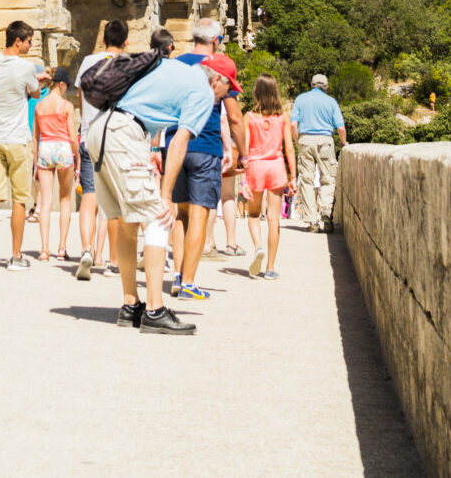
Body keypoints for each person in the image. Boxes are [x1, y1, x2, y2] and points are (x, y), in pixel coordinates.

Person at [82, 45, 215, 334]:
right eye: (228, 90)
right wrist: (165, 195)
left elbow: (148, 107)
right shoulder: (204, 91)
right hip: (124, 134)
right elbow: (179, 142)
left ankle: (130, 305)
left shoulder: (171, 68)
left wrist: (151, 150)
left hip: (100, 129)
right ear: (218, 80)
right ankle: (155, 310)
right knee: (158, 218)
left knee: (127, 222)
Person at [165, 45, 243, 299]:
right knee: (199, 215)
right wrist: (238, 151)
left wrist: (156, 147)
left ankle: (178, 274)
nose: (228, 93)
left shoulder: (182, 80)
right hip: (205, 150)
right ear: (216, 79)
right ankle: (189, 283)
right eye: (228, 87)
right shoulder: (210, 91)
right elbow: (231, 119)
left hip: (175, 148)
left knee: (181, 213)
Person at [0, 20, 47, 272]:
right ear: (18, 41)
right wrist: (40, 80)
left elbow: (11, 80)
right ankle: (15, 256)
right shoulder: (26, 67)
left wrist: (31, 79)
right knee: (20, 200)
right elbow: (34, 93)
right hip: (18, 141)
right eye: (29, 41)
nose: (30, 45)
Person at [70, 19, 128, 281]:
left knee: (89, 196)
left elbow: (82, 100)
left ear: (103, 39)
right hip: (114, 138)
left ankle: (86, 249)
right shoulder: (128, 65)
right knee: (113, 201)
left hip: (88, 136)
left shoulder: (87, 62)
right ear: (126, 41)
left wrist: (84, 127)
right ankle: (114, 261)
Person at [239, 75, 297, 278]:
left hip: (256, 166)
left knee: (254, 214)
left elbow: (244, 151)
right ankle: (270, 268)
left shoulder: (249, 117)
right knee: (274, 219)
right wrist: (293, 177)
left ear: (256, 92)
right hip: (276, 166)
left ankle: (258, 247)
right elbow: (289, 148)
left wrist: (243, 179)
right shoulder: (283, 117)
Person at [291, 71, 349, 232]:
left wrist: (297, 141)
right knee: (329, 179)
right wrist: (343, 142)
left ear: (311, 85)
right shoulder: (331, 102)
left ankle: (312, 221)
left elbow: (293, 124)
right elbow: (341, 128)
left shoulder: (300, 99)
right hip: (325, 141)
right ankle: (326, 210)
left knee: (307, 181)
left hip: (305, 140)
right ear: (326, 87)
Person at [33, 66, 78, 261]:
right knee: (65, 199)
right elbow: (72, 137)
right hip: (62, 148)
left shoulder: (39, 106)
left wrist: (36, 163)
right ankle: (61, 247)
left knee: (45, 201)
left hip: (45, 148)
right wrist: (77, 157)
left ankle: (44, 249)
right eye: (66, 85)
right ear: (60, 84)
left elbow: (35, 137)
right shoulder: (67, 106)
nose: (66, 88)